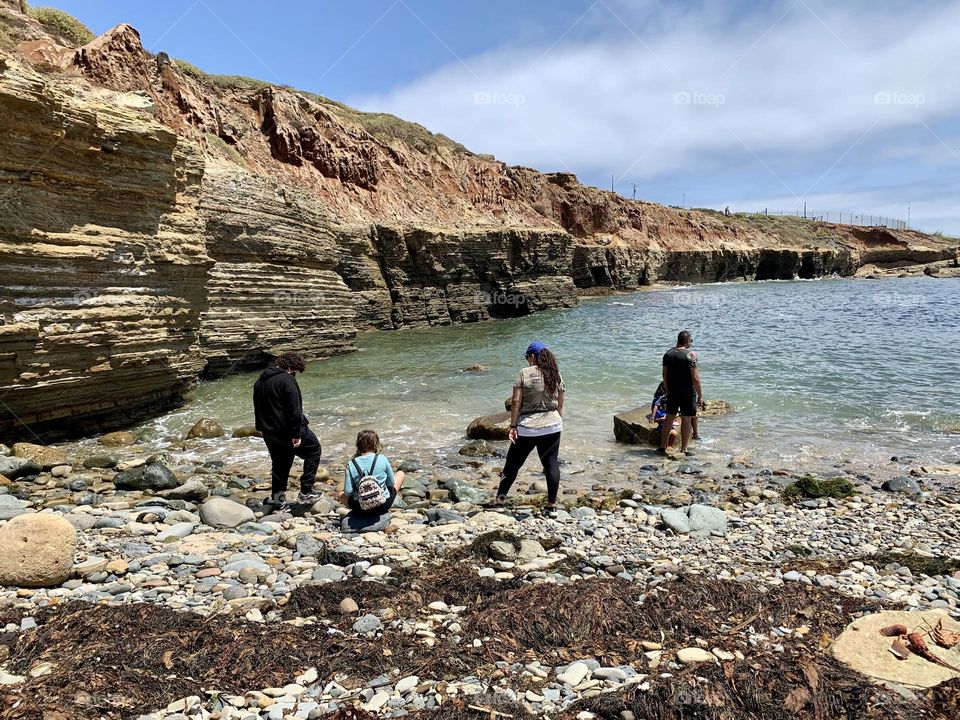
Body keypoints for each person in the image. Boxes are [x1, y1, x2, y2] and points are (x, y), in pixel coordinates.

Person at [491, 341, 565, 516]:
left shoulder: (524, 373)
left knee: (512, 465)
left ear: (532, 356)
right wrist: (556, 422)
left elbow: (516, 401)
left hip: (528, 427)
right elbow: (560, 403)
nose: (526, 360)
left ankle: (499, 501)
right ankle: (552, 506)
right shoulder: (556, 374)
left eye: (527, 357)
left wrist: (513, 425)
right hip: (553, 425)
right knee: (551, 464)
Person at [253, 352, 322, 510]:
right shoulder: (287, 380)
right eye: (296, 371)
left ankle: (278, 500)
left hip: (268, 431)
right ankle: (306, 491)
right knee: (314, 450)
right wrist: (296, 434)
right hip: (288, 430)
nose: (296, 374)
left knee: (279, 464)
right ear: (290, 367)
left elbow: (258, 408)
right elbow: (294, 410)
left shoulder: (260, 381)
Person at [658, 330, 704, 457]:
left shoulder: (668, 354)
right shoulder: (691, 355)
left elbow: (664, 375)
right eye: (691, 341)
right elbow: (695, 378)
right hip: (688, 392)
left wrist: (667, 388)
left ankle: (662, 447)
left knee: (669, 418)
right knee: (686, 419)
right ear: (687, 341)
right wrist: (700, 395)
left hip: (673, 391)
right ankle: (684, 449)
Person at [339, 429, 405, 515]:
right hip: (383, 503)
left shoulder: (351, 463)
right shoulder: (382, 458)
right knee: (401, 473)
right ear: (375, 444)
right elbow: (391, 483)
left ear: (358, 445)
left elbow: (348, 491)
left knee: (340, 494)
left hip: (361, 506)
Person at [649, 381, 678, 449]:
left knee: (674, 433)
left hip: (671, 426)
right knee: (666, 433)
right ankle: (664, 445)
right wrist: (658, 418)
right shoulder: (660, 409)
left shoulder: (670, 411)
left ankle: (670, 446)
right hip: (662, 427)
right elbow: (656, 406)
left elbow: (675, 419)